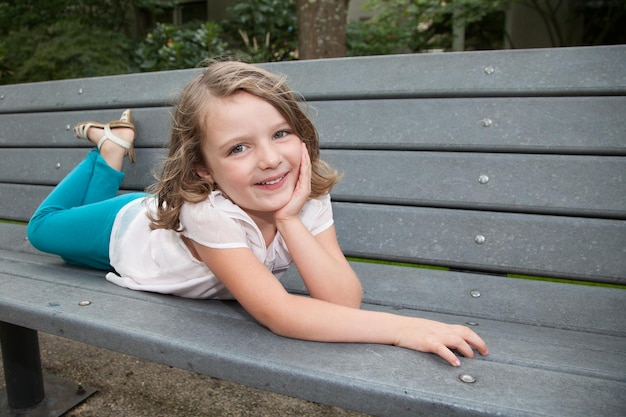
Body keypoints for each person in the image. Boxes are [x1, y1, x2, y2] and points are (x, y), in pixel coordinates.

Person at [27, 61, 488, 367]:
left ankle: (112, 144)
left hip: (154, 214)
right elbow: (281, 313)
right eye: (239, 147)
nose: (270, 160)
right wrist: (404, 329)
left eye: (281, 133)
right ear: (204, 168)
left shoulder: (301, 192)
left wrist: (289, 218)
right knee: (44, 228)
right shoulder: (204, 212)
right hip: (127, 230)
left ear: (302, 136)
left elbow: (342, 302)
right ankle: (110, 149)